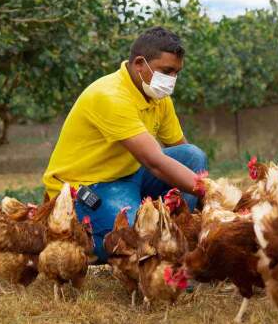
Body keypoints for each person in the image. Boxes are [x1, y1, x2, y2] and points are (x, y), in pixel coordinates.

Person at [42, 26, 208, 262]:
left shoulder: (158, 98)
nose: (172, 80)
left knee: (193, 157)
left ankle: (178, 236)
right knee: (130, 239)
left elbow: (181, 148)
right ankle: (82, 237)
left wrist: (205, 199)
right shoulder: (110, 96)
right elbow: (155, 162)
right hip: (90, 185)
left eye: (176, 73)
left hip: (130, 174)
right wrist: (213, 192)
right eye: (166, 71)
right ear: (140, 63)